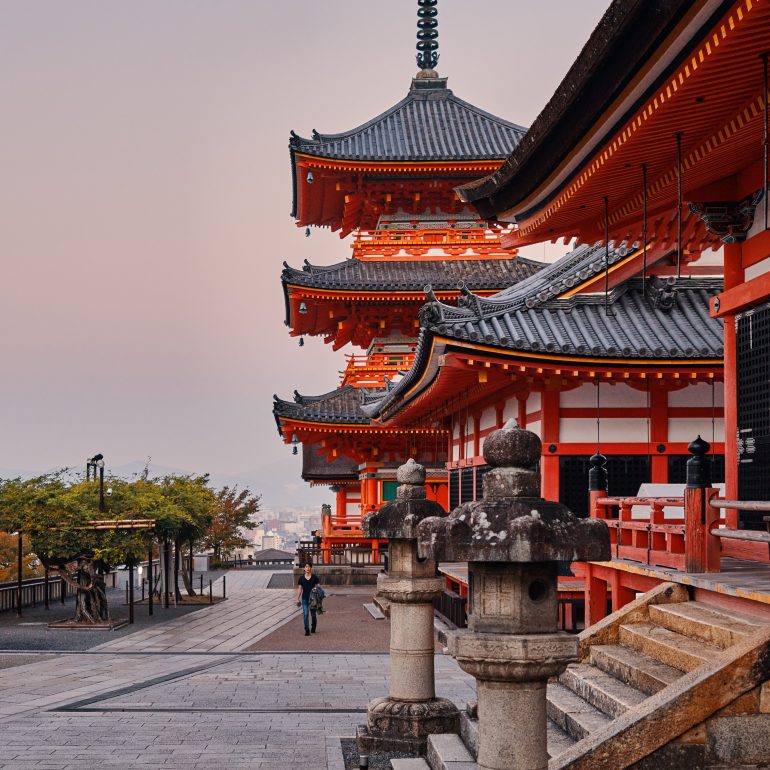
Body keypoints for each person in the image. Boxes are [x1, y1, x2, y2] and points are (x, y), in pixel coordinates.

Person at [296, 562, 320, 636]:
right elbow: (300, 589)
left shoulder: (314, 577)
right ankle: (306, 629)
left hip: (313, 599)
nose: (308, 568)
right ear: (304, 568)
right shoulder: (301, 578)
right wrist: (297, 598)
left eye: (309, 567)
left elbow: (318, 587)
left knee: (313, 615)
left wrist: (316, 589)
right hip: (304, 599)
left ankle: (313, 627)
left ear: (311, 568)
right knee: (305, 614)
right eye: (306, 567)